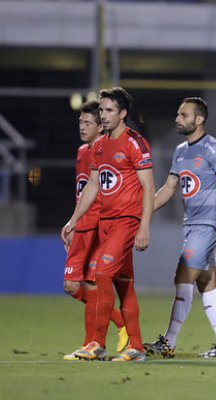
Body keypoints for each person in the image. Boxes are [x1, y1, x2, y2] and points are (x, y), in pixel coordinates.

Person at [143, 97, 216, 359]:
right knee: (206, 282)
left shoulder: (214, 149)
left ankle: (169, 342)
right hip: (192, 224)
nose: (177, 119)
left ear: (199, 120)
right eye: (177, 114)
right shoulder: (180, 151)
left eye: (183, 115)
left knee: (182, 276)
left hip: (209, 223)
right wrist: (142, 211)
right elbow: (169, 189)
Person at [62, 87, 155, 362]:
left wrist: (144, 226)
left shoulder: (135, 143)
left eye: (109, 110)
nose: (103, 115)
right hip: (105, 223)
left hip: (126, 222)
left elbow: (148, 188)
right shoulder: (100, 145)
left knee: (101, 275)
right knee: (125, 284)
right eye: (101, 110)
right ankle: (136, 347)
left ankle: (96, 343)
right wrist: (74, 219)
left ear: (123, 113)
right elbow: (93, 184)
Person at [61, 100, 128, 360]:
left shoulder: (103, 151)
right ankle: (120, 325)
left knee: (88, 285)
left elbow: (102, 191)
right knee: (74, 285)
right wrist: (73, 221)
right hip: (83, 226)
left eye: (88, 122)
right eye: (80, 122)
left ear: (101, 127)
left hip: (97, 227)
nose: (82, 126)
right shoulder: (82, 152)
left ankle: (92, 344)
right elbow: (83, 191)